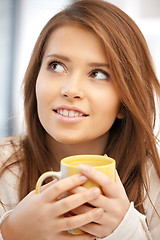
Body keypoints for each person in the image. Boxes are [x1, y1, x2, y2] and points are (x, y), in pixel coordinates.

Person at [0, 0, 160, 239]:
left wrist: (126, 230)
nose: (70, 89)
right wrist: (10, 233)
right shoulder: (4, 168)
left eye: (98, 73)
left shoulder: (153, 177)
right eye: (56, 66)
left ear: (125, 102)